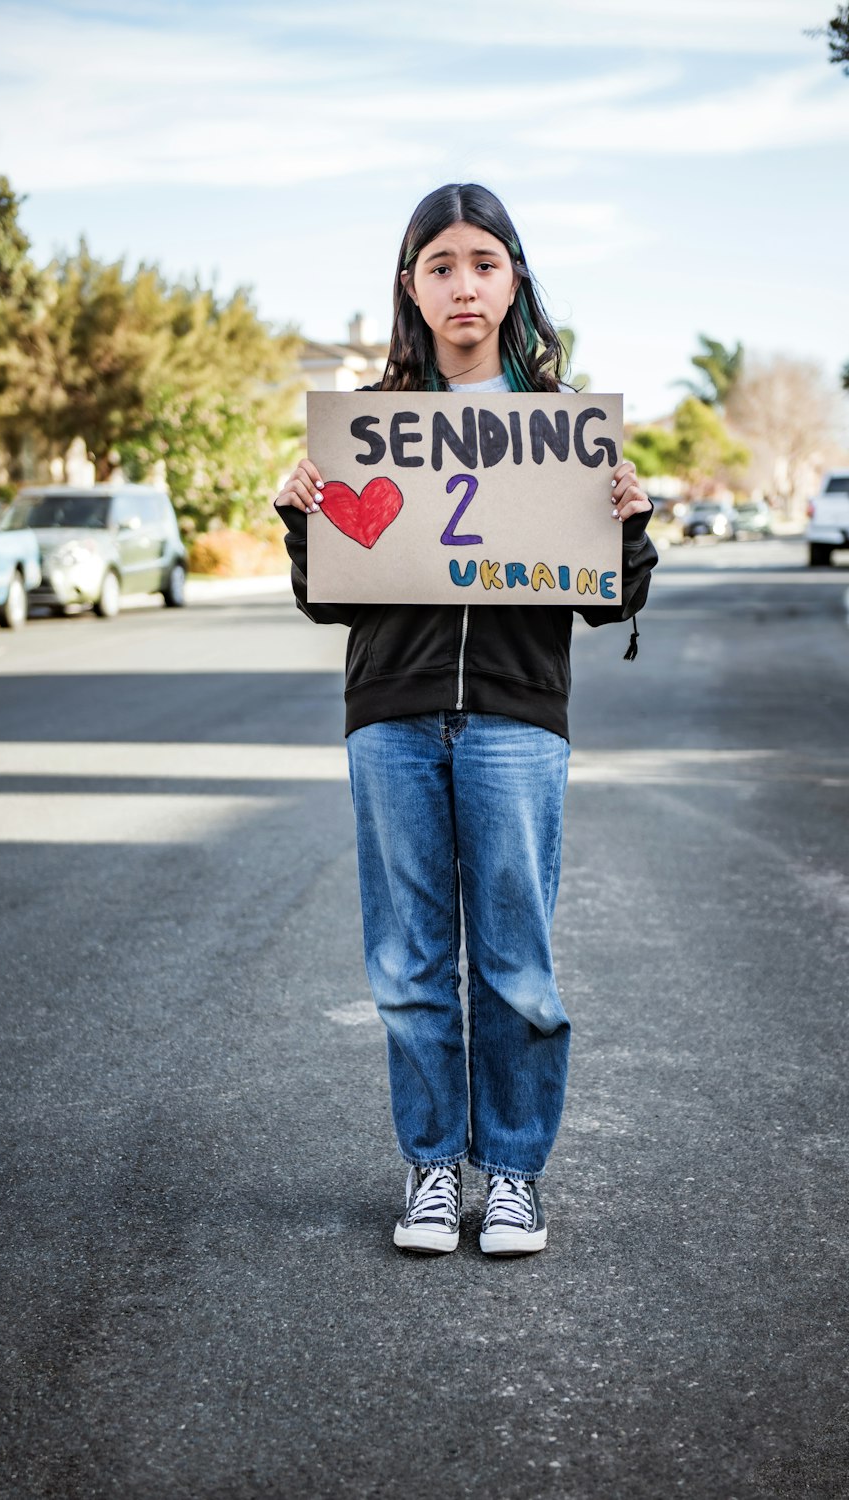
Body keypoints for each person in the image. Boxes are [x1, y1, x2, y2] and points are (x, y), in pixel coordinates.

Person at [275, 183, 657, 1257]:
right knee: (405, 962)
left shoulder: (563, 423)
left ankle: (517, 1177)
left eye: (483, 263)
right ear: (412, 287)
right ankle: (433, 1169)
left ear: (514, 279)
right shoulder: (365, 427)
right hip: (390, 715)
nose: (463, 284)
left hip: (515, 718)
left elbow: (603, 600)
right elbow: (330, 598)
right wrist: (303, 521)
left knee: (515, 964)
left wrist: (628, 526)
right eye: (439, 265)